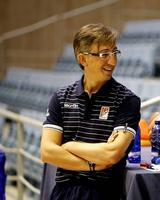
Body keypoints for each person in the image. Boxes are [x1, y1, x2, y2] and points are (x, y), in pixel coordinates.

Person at [40, 23, 141, 200]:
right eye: (104, 54)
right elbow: (47, 152)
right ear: (82, 59)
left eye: (114, 52)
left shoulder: (127, 100)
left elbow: (112, 154)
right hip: (62, 192)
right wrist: (94, 165)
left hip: (104, 194)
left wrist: (70, 145)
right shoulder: (61, 97)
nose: (112, 61)